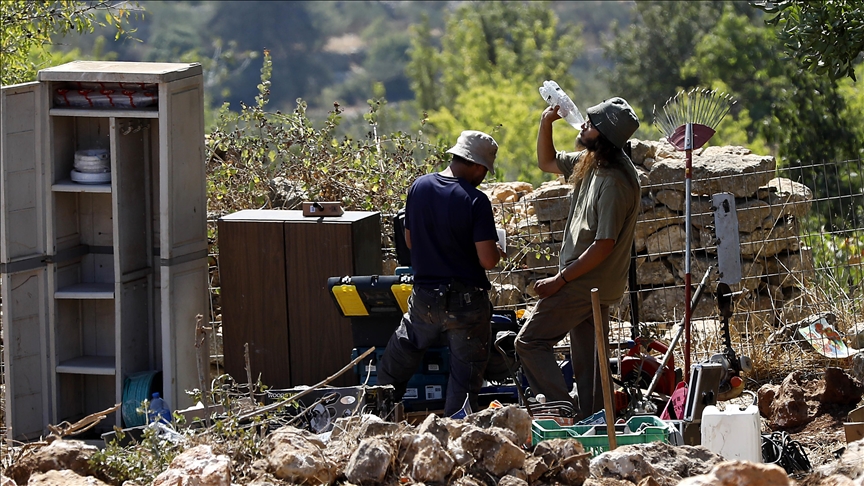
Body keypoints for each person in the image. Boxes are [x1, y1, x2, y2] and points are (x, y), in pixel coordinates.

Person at [515, 97, 641, 419]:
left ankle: (561, 408)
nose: (584, 125)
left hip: (584, 283)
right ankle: (596, 424)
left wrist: (560, 281)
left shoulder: (614, 182)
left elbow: (603, 245)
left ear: (605, 136)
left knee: (529, 342)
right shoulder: (594, 160)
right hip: (590, 283)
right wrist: (546, 122)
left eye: (591, 124)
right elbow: (547, 162)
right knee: (590, 365)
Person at [377, 130, 503, 416]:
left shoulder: (419, 187)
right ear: (477, 165)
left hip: (424, 298)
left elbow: (410, 241)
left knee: (400, 355)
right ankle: (456, 434)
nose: (484, 175)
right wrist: (496, 248)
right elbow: (487, 260)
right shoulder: (476, 200)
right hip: (466, 304)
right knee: (464, 378)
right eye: (484, 169)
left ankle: (375, 416)